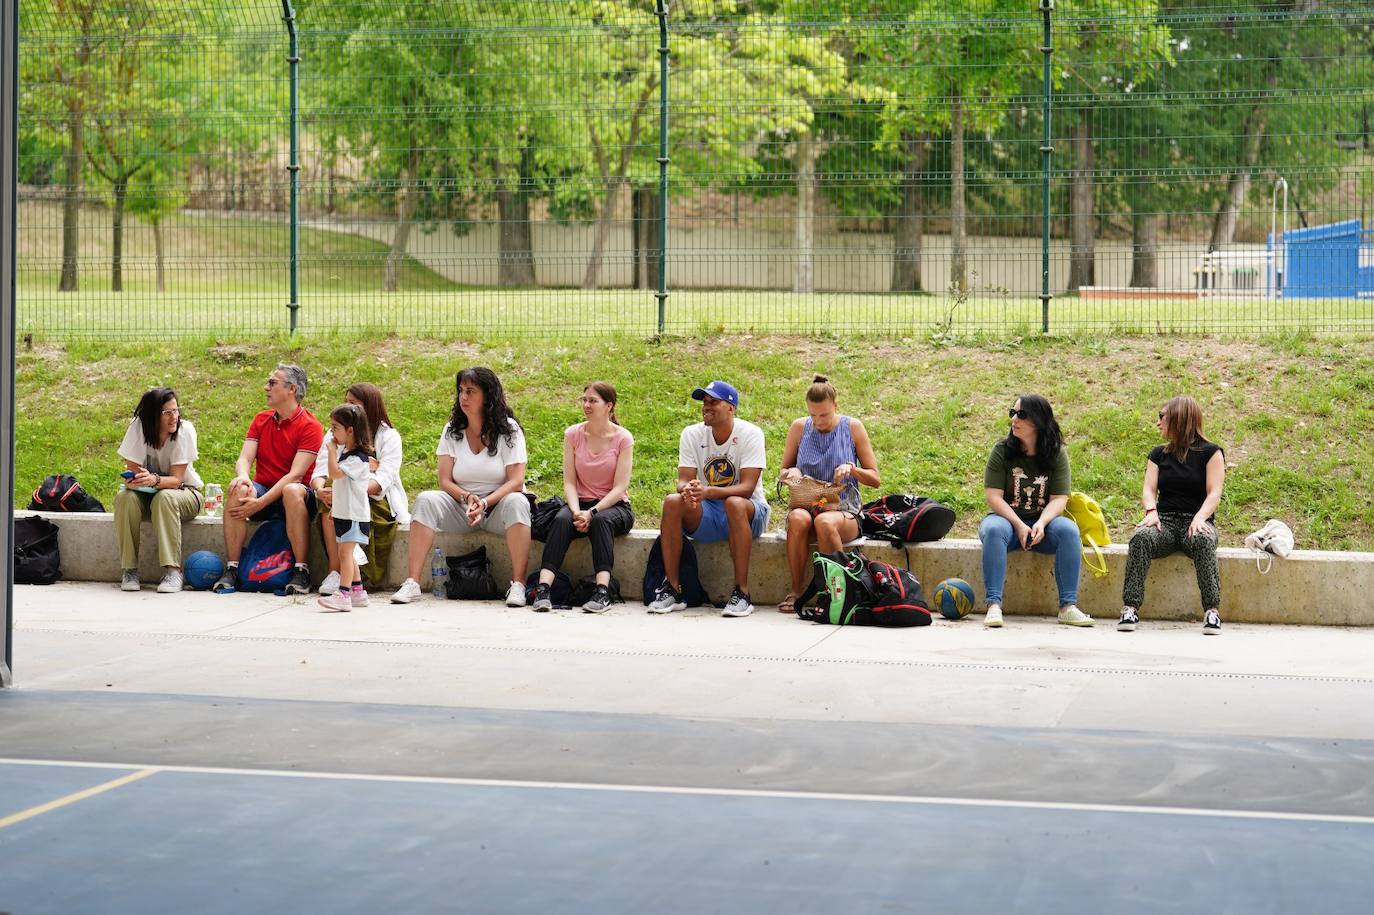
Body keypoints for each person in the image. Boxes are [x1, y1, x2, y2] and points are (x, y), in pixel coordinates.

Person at [391, 367, 532, 606]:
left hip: (498, 507)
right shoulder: (452, 430)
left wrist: (485, 502)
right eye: (460, 391)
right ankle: (412, 582)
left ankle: (518, 585)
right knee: (425, 499)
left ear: (487, 396)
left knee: (518, 501)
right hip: (462, 507)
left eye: (470, 391)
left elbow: (516, 481)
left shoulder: (509, 430)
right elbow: (444, 480)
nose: (463, 397)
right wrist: (467, 498)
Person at [647, 380, 769, 618]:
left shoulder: (751, 434)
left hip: (749, 511)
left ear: (731, 408)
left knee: (734, 503)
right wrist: (689, 490)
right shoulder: (691, 434)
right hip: (710, 512)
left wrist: (709, 491)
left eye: (713, 402)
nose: (706, 407)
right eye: (704, 402)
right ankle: (673, 589)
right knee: (673, 501)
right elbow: (683, 479)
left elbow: (746, 488)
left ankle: (742, 593)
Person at [979, 394, 1091, 628]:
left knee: (1069, 531)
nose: (1014, 419)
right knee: (992, 530)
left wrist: (1041, 523)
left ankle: (1068, 607)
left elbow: (1060, 498)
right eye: (1013, 413)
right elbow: (993, 497)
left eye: (1021, 414)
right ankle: (993, 606)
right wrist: (1019, 525)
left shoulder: (1056, 453)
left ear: (1038, 420)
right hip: (1007, 523)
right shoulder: (1002, 450)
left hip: (1044, 526)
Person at [212, 363, 323, 595]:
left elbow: (296, 475)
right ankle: (233, 568)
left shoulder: (311, 426)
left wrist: (260, 503)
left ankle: (301, 571)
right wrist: (243, 477)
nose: (266, 388)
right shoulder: (261, 419)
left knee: (292, 490)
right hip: (263, 490)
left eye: (272, 383)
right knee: (238, 488)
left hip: (297, 499)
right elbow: (245, 458)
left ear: (291, 389)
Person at [1119, 396, 1226, 635]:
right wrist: (1151, 512)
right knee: (1142, 538)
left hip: (1196, 521)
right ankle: (1130, 607)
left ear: (1178, 418)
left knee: (1202, 541)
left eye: (1161, 416)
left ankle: (1212, 612)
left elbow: (1214, 493)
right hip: (1164, 522)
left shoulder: (1211, 452)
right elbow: (1148, 490)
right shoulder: (1158, 454)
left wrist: (1200, 518)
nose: (1158, 423)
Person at [777, 375, 881, 614]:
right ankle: (797, 590)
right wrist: (790, 472)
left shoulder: (852, 427)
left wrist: (852, 469)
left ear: (836, 405)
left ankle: (839, 592)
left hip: (843, 510)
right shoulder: (799, 427)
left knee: (824, 522)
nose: (818, 421)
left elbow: (875, 478)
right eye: (813, 415)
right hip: (806, 504)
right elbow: (783, 471)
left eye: (824, 415)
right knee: (797, 519)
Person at [531, 382, 635, 614]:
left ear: (609, 406)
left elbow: (620, 487)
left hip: (614, 507)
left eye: (593, 401)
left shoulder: (623, 438)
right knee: (561, 519)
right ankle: (543, 589)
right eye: (584, 400)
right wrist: (577, 511)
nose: (586, 405)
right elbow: (569, 481)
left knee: (600, 521)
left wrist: (592, 512)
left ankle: (602, 592)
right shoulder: (573, 434)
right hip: (580, 503)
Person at [310, 382, 410, 595]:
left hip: (374, 499)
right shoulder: (335, 432)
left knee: (341, 509)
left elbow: (381, 480)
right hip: (339, 492)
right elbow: (320, 471)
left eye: (354, 403)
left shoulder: (389, 436)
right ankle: (335, 573)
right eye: (346, 402)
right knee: (329, 503)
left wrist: (344, 491)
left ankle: (347, 585)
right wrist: (320, 490)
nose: (348, 407)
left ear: (370, 407)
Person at [113, 387, 205, 593]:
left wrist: (153, 479)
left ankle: (173, 572)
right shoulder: (138, 428)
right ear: (153, 416)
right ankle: (129, 570)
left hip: (186, 494)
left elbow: (176, 480)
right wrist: (135, 481)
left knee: (165, 498)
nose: (175, 417)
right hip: (149, 496)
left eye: (176, 410)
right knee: (124, 498)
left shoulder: (184, 430)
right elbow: (134, 472)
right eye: (167, 413)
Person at [317, 404, 378, 612]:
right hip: (345, 512)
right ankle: (358, 592)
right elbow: (342, 487)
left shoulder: (356, 459)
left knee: (345, 553)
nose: (331, 433)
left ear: (350, 430)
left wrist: (332, 451)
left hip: (354, 515)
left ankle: (343, 594)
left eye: (335, 428)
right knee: (349, 553)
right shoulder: (347, 454)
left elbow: (334, 475)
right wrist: (336, 509)